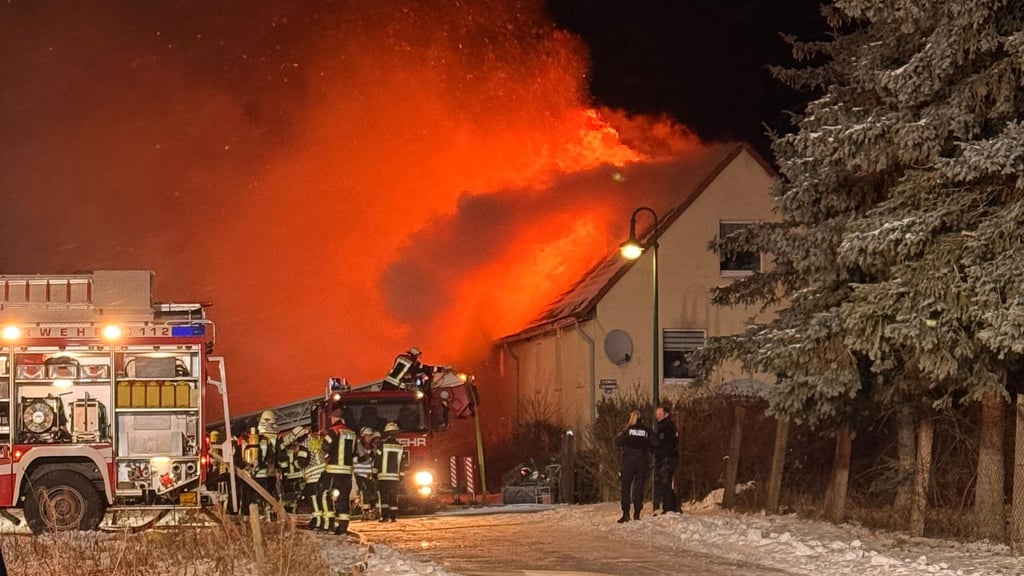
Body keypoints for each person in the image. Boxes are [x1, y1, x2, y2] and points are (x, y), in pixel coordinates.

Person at [320, 414, 356, 534]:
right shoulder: (352, 433)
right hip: (347, 472)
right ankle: (343, 527)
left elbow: (325, 447)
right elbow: (354, 451)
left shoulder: (334, 431)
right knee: (344, 499)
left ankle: (329, 524)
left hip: (333, 471)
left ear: (334, 419)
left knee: (326, 495)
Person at [616, 409, 652, 523]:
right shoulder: (646, 430)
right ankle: (637, 513)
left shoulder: (627, 430)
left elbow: (618, 441)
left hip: (629, 462)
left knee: (626, 487)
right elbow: (655, 442)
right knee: (639, 488)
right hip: (642, 461)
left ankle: (626, 514)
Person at [375, 421, 406, 522]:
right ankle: (393, 517)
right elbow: (402, 464)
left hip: (382, 477)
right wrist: (401, 476)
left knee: (384, 497)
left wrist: (374, 473)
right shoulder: (401, 447)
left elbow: (377, 461)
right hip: (395, 478)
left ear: (386, 434)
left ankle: (384, 517)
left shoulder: (382, 446)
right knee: (393, 496)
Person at [653, 402, 681, 514]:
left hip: (667, 458)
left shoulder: (666, 427)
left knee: (665, 483)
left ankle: (669, 507)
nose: (657, 416)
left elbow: (664, 444)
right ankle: (673, 505)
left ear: (666, 414)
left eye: (660, 413)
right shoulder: (668, 426)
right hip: (669, 458)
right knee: (666, 482)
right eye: (657, 413)